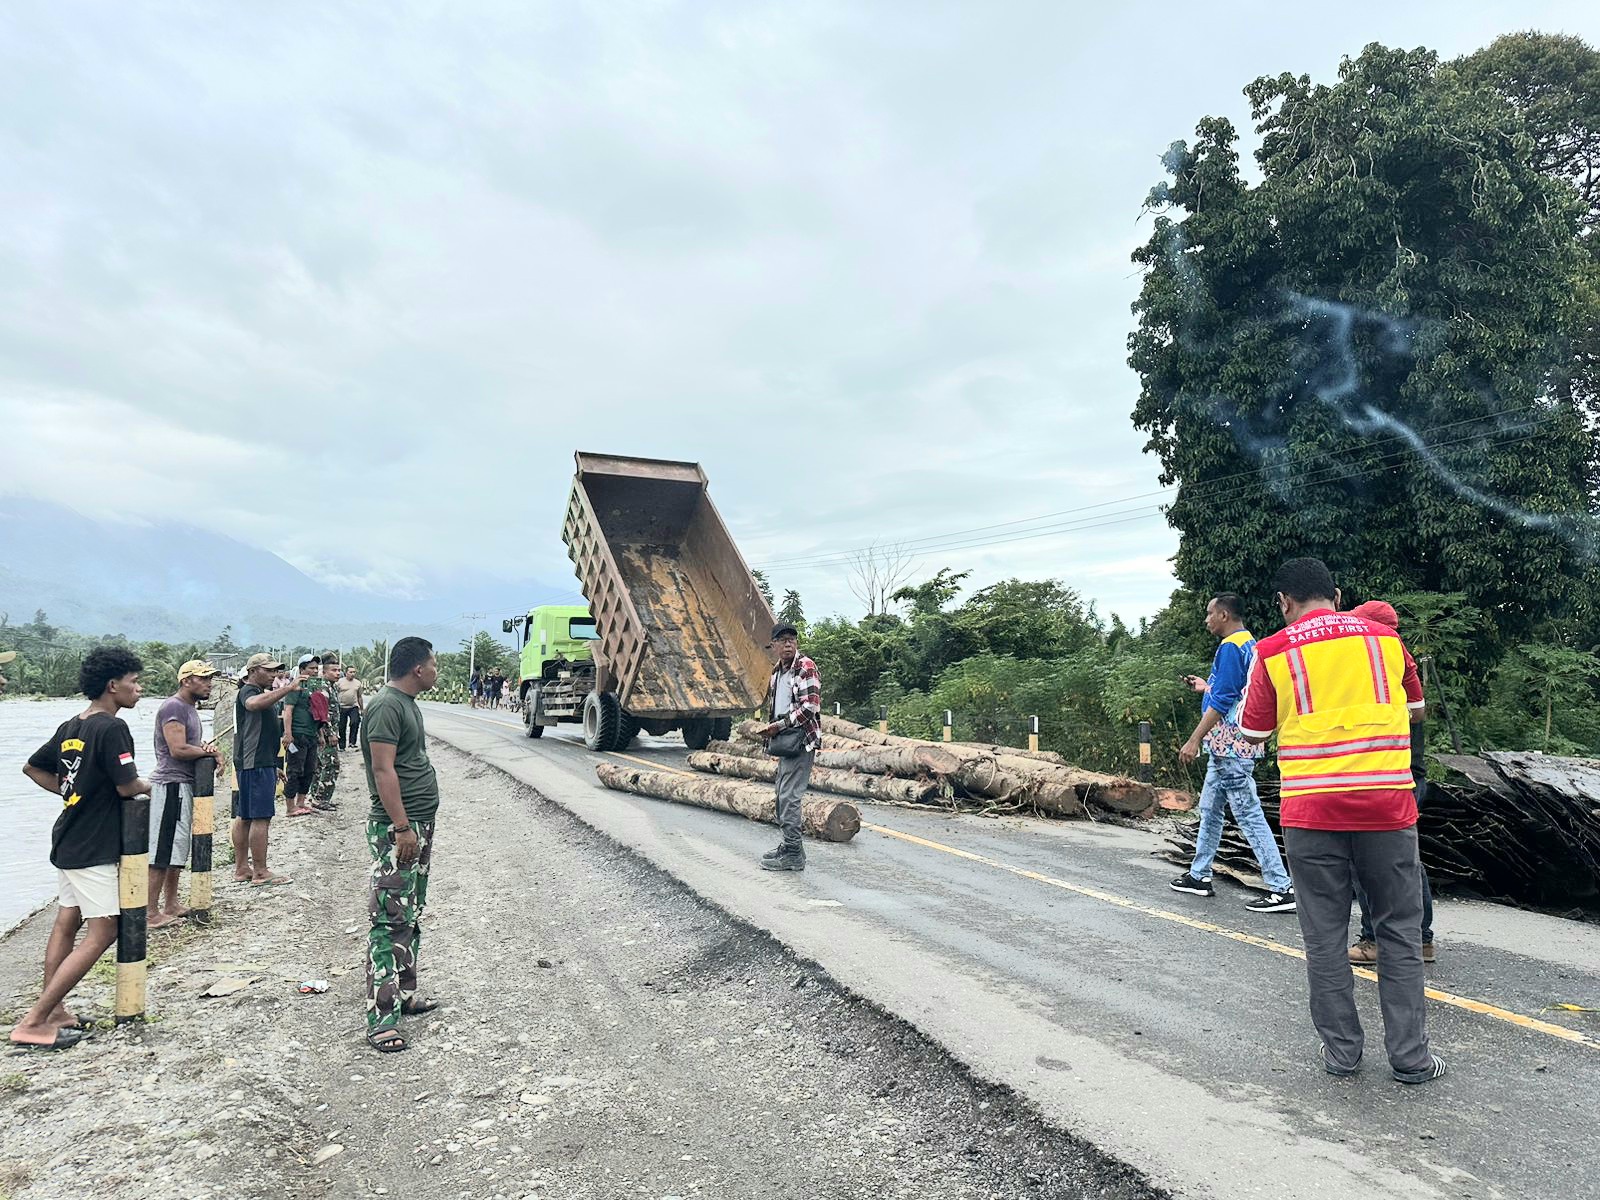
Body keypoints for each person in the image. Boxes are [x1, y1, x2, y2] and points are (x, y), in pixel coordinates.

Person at [1239, 558, 1444, 1084]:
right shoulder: (1386, 641)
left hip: (1312, 811)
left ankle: (1342, 1055)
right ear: (1336, 592)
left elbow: (1253, 735)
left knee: (1324, 935)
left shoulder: (1271, 652)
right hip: (1387, 807)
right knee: (1398, 930)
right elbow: (1416, 710)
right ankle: (1411, 1059)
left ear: (1283, 602)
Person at [11, 647, 151, 1049]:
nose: (139, 689)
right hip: (95, 842)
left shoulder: (73, 724)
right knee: (104, 929)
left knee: (67, 921)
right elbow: (127, 785)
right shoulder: (111, 728)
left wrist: (73, 793)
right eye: (134, 682)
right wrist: (151, 786)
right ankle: (34, 1021)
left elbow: (33, 767)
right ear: (113, 686)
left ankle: (53, 1010)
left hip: (70, 834)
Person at [1170, 593, 1295, 913]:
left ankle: (1281, 887)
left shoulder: (1229, 648)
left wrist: (1194, 738)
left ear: (1224, 615)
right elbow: (1237, 690)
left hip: (1229, 745)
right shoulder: (1249, 644)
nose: (1206, 619)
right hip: (1236, 743)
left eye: (1210, 614)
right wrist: (1204, 687)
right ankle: (1199, 875)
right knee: (1210, 809)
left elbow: (1224, 701)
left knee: (1248, 814)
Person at [360, 636, 443, 1052]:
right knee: (388, 917)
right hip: (399, 830)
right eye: (433, 664)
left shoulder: (406, 704)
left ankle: (405, 995)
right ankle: (381, 1018)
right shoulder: (387, 706)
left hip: (416, 824)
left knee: (409, 913)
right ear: (417, 669)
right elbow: (382, 768)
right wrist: (401, 827)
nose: (435, 670)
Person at [1345, 600, 1437, 966]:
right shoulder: (1401, 665)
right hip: (1407, 776)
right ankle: (1421, 938)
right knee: (1405, 860)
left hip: (1389, 777)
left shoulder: (1383, 666)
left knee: (1366, 860)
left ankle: (1375, 939)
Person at [147, 660, 227, 929]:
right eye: (203, 679)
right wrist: (211, 752)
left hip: (184, 785)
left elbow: (188, 746)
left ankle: (170, 903)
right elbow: (178, 750)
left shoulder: (189, 709)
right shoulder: (174, 707)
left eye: (209, 678)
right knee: (163, 849)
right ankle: (149, 911)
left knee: (177, 849)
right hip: (171, 784)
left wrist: (203, 749)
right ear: (186, 681)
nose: (209, 684)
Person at [753, 623, 821, 873]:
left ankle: (793, 853)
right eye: (782, 640)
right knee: (781, 794)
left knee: (789, 797)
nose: (788, 644)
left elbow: (810, 707)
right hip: (785, 741)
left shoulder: (805, 667)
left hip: (800, 741)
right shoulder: (777, 673)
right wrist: (773, 730)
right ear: (773, 645)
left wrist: (779, 726)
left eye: (792, 639)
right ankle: (791, 846)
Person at [232, 653, 299, 884]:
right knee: (260, 816)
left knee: (246, 815)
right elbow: (253, 705)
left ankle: (242, 868)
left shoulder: (260, 693)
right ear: (253, 671)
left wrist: (274, 766)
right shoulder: (249, 692)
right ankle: (260, 871)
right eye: (268, 670)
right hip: (255, 763)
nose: (273, 674)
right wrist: (288, 688)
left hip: (260, 763)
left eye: (275, 671)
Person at [282, 655, 321, 817]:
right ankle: (290, 807)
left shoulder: (315, 688)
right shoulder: (296, 686)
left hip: (311, 734)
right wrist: (288, 733)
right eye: (311, 668)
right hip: (297, 734)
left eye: (316, 668)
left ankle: (301, 803)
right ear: (302, 669)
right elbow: (288, 711)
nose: (314, 671)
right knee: (294, 770)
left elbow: (318, 714)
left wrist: (320, 734)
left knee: (309, 769)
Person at [309, 656, 342, 811]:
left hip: (328, 732)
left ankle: (315, 795)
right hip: (326, 733)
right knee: (331, 765)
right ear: (325, 671)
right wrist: (329, 733)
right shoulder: (323, 688)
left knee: (319, 765)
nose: (338, 673)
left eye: (339, 670)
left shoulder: (331, 686)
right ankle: (321, 798)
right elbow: (322, 713)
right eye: (334, 670)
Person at [338, 665, 364, 750]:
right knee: (342, 726)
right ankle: (342, 745)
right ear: (346, 673)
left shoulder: (358, 683)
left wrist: (362, 708)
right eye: (350, 672)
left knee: (355, 722)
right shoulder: (339, 682)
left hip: (353, 706)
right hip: (342, 707)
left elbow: (359, 696)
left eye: (354, 672)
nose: (352, 674)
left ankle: (352, 742)